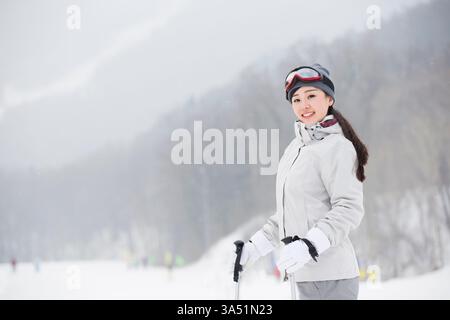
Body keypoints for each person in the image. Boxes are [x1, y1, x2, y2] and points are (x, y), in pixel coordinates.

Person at [234, 63, 368, 300]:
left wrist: (310, 245)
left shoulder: (338, 148)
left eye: (311, 96)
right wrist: (254, 248)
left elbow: (349, 208)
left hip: (332, 279)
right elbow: (290, 214)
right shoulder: (294, 150)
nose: (303, 105)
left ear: (329, 99)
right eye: (296, 99)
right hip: (301, 277)